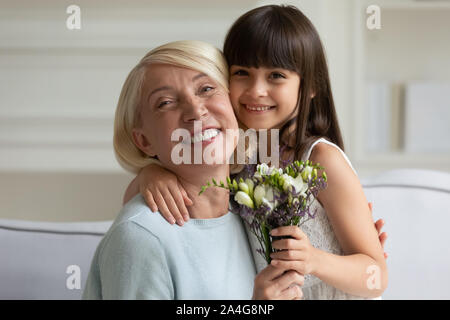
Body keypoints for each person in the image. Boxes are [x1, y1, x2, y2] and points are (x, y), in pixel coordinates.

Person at [123, 5, 389, 299]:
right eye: (242, 73)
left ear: (311, 86)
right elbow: (132, 203)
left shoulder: (321, 159)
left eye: (275, 75)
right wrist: (152, 172)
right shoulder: (236, 155)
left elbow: (376, 277)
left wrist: (313, 259)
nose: (256, 90)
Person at [82, 40, 305, 300]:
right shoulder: (142, 238)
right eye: (165, 103)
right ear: (143, 141)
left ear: (233, 105)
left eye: (207, 89)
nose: (195, 111)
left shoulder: (254, 212)